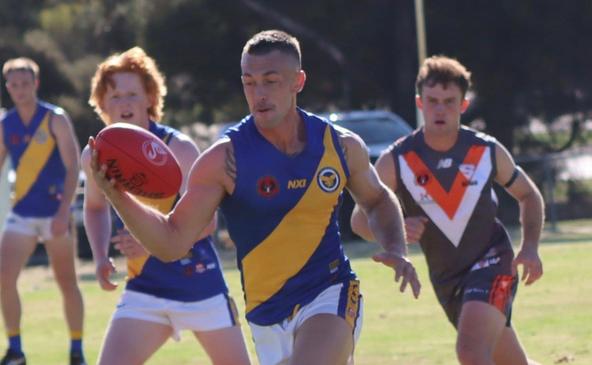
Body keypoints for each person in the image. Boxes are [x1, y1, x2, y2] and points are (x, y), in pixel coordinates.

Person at [88, 30, 421, 365]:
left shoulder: (339, 146)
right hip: (265, 313)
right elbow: (172, 243)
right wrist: (116, 195)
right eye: (250, 82)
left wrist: (395, 247)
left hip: (330, 293)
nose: (258, 93)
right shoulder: (224, 160)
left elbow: (377, 200)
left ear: (298, 81)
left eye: (270, 81)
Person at [351, 55, 544, 365]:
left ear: (463, 105)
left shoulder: (486, 150)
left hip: (493, 263)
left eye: (449, 101)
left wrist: (531, 248)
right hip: (447, 279)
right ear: (420, 103)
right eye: (433, 101)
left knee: (469, 352)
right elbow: (359, 219)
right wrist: (395, 229)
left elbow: (529, 195)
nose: (440, 109)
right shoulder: (396, 160)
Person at [83, 47, 250, 365]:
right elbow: (93, 208)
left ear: (150, 97)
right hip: (145, 289)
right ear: (102, 104)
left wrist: (147, 244)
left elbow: (208, 224)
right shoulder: (93, 156)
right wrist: (101, 255)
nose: (124, 103)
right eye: (115, 96)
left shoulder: (180, 149)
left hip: (199, 285)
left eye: (132, 93)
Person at [0, 58, 86, 365]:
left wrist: (64, 211)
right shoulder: (6, 123)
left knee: (67, 282)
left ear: (35, 84)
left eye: (25, 83)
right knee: (4, 278)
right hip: (22, 212)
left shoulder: (55, 118)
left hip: (55, 212)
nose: (19, 89)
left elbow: (73, 164)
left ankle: (77, 350)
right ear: (7, 86)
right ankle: (16, 350)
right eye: (13, 84)